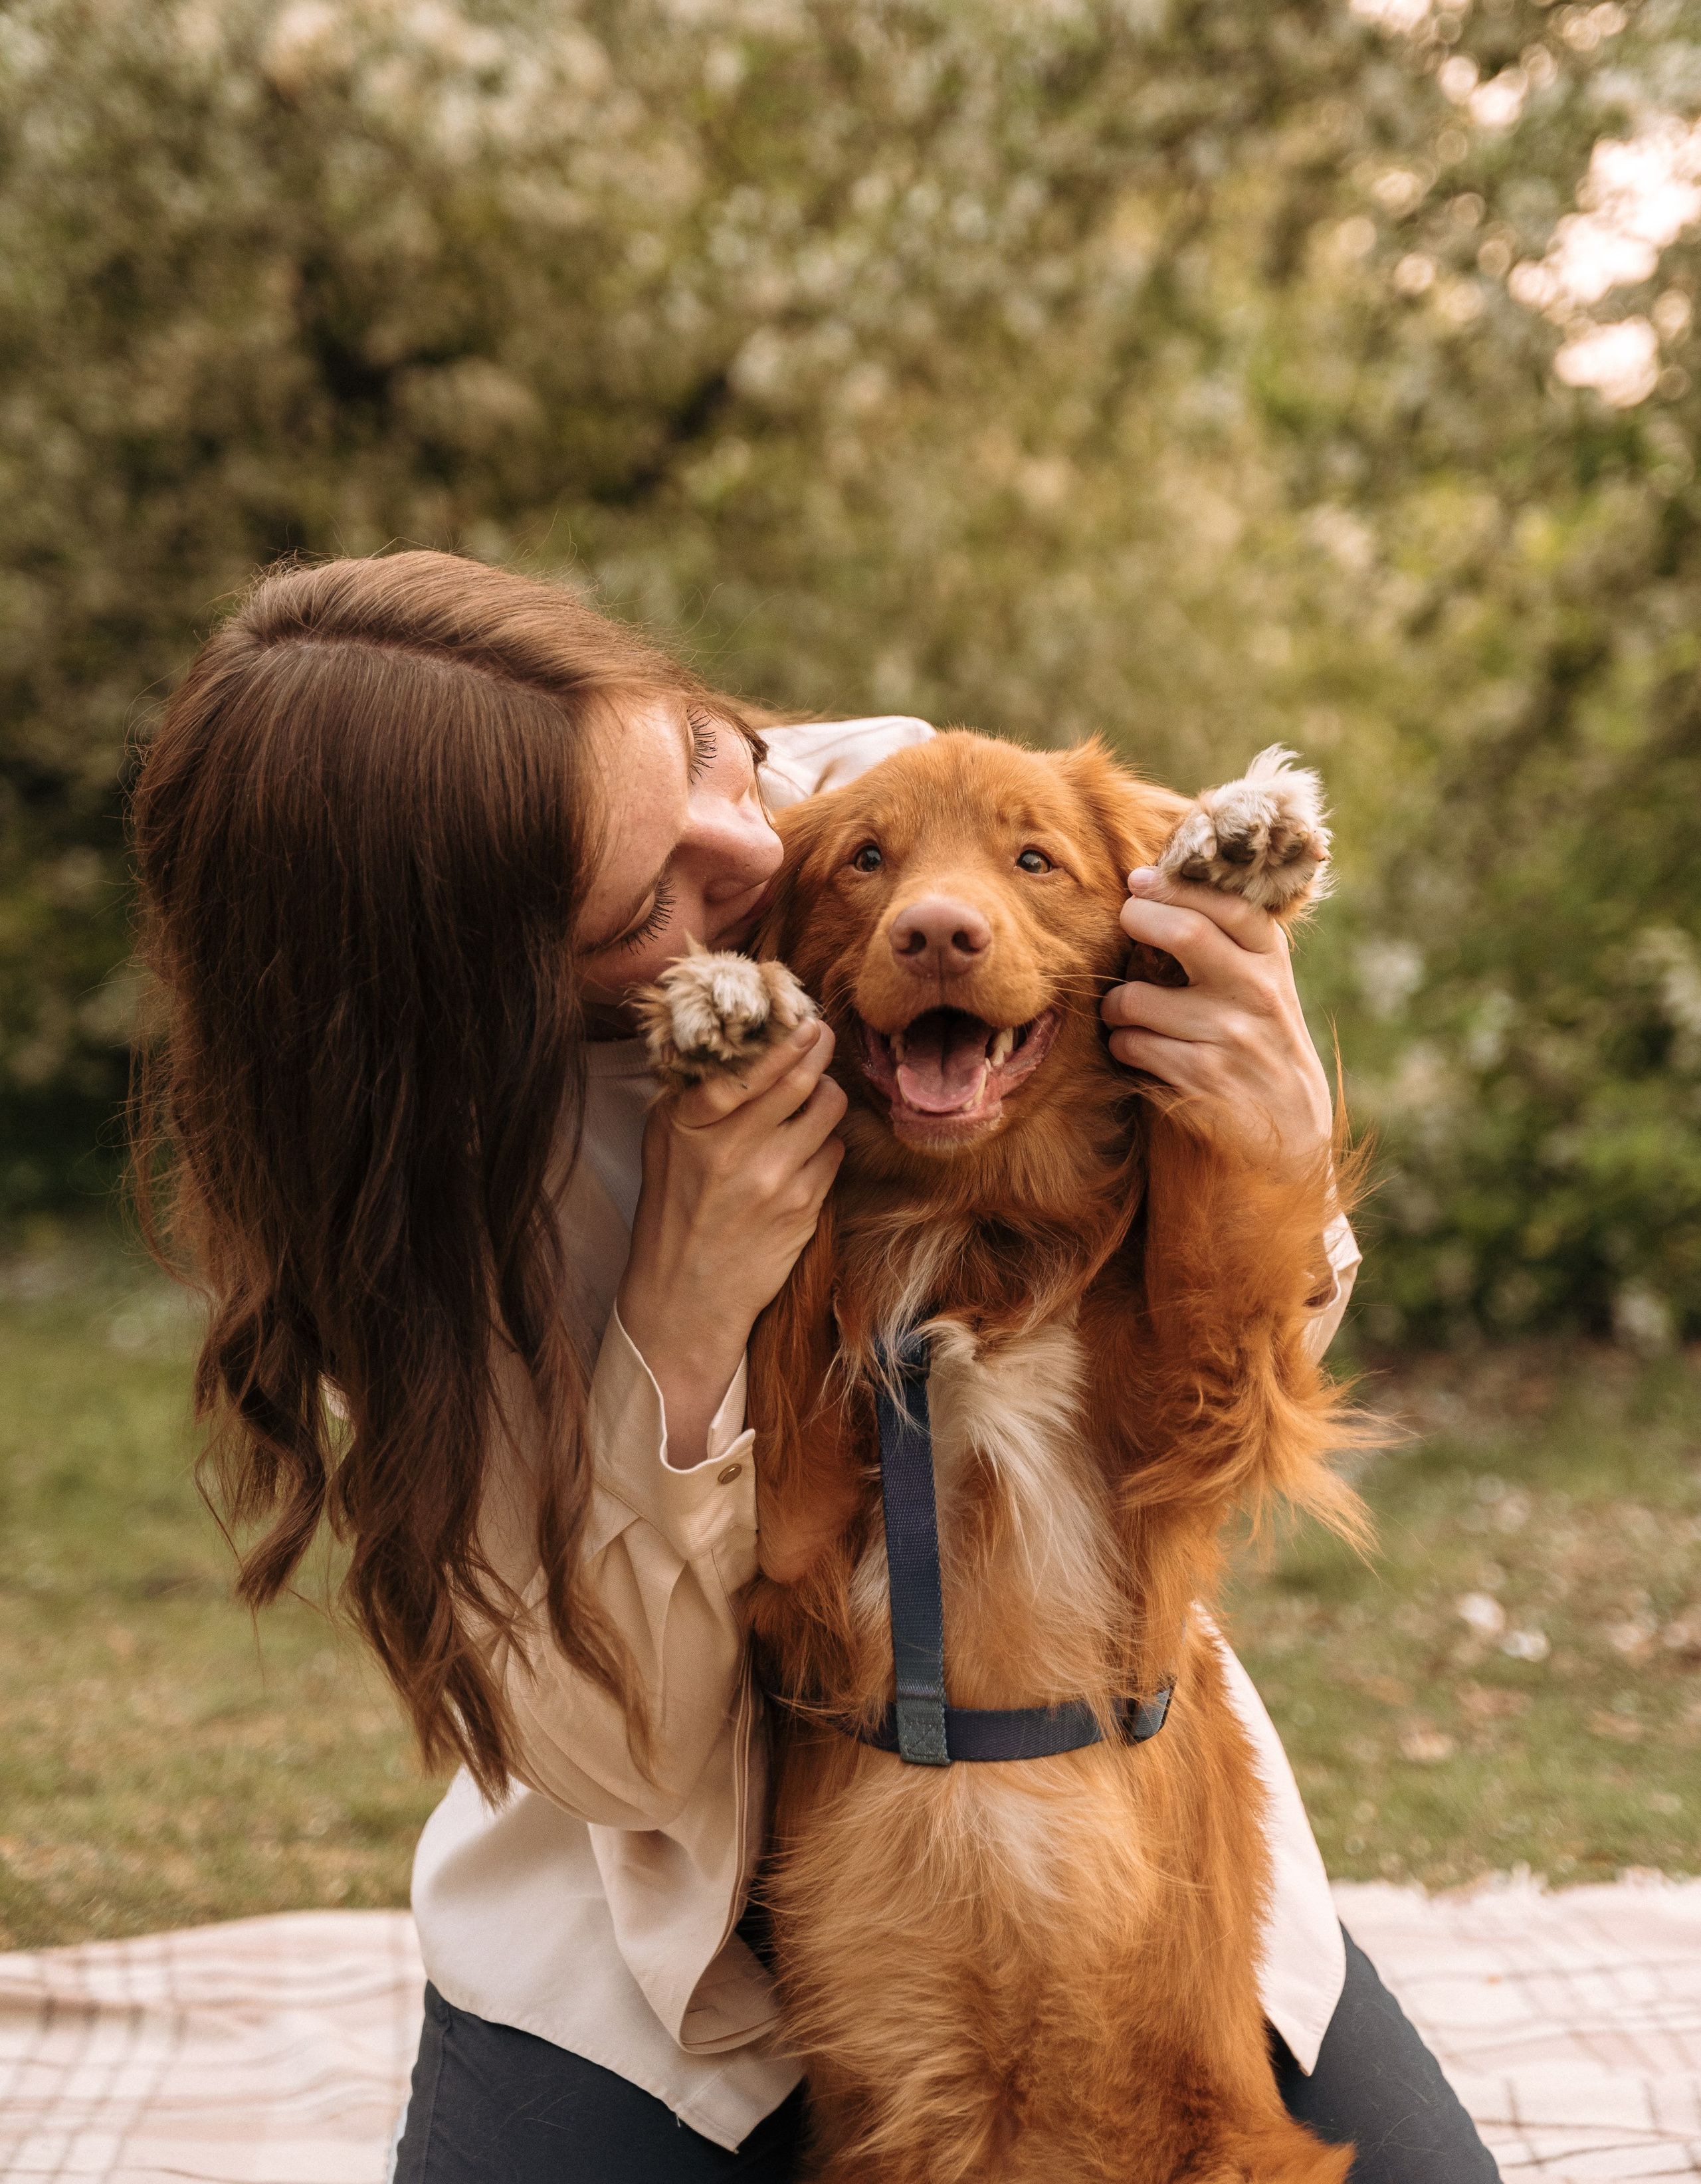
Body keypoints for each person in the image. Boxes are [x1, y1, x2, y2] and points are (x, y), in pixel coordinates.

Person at [130, 551, 1495, 2181]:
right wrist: (688, 1319)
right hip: (660, 1914)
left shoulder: (880, 812)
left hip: (1075, 1767)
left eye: (706, 748)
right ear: (492, 985)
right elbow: (615, 1753)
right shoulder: (421, 1200)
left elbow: (1226, 1379)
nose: (748, 843)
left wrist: (1269, 1138)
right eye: (644, 902)